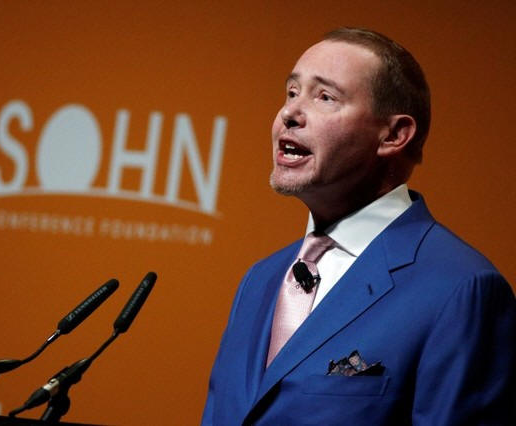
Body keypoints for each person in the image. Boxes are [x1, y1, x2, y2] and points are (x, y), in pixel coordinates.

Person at [202, 28, 516, 426]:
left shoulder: (461, 289)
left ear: (394, 135)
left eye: (325, 97)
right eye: (292, 92)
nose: (289, 114)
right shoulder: (259, 280)